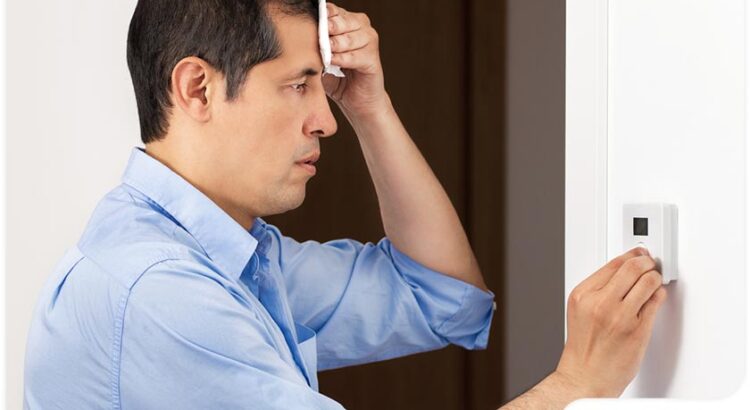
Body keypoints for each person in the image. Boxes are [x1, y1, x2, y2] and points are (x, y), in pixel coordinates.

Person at [23, 1, 667, 409]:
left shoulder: (232, 256)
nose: (322, 120)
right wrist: (578, 386)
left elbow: (440, 297)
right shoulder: (160, 294)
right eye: (299, 85)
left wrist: (370, 106)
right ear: (198, 88)